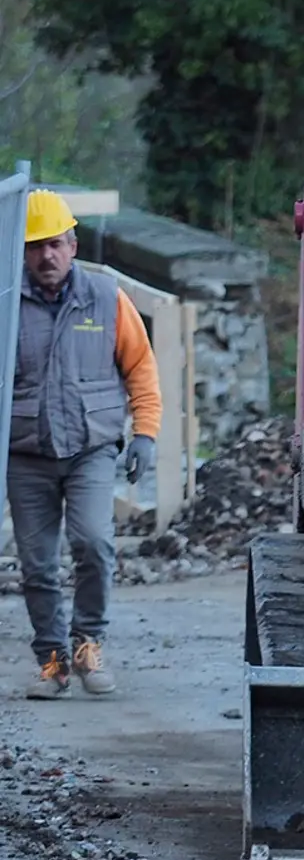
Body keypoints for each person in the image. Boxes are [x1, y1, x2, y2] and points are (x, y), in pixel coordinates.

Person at [12, 189, 162, 701]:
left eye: (54, 243)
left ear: (73, 244)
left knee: (94, 544)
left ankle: (88, 643)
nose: (45, 256)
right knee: (36, 564)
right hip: (25, 454)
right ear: (20, 250)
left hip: (91, 450)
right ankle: (51, 660)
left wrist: (145, 434)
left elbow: (140, 367)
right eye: (34, 246)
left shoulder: (106, 297)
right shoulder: (7, 303)